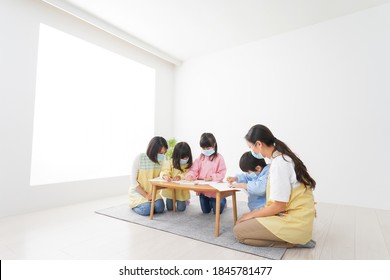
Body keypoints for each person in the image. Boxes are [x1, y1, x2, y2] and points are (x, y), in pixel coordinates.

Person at [233, 124, 317, 248]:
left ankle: (294, 241)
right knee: (245, 221)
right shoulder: (282, 158)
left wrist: (250, 215)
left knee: (238, 231)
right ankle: (296, 238)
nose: (252, 151)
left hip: (294, 222)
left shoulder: (279, 164)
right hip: (297, 218)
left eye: (251, 147)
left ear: (259, 144)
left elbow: (279, 206)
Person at [185, 132, 227, 214]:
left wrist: (212, 177)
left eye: (208, 148)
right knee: (205, 211)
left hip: (215, 190)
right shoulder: (200, 158)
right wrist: (190, 176)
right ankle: (210, 201)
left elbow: (222, 173)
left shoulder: (219, 158)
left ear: (214, 145)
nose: (205, 150)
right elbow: (193, 170)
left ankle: (223, 200)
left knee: (217, 211)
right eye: (203, 148)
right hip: (204, 191)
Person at [128, 136, 168, 216]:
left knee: (160, 208)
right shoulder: (140, 158)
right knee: (147, 210)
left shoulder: (161, 160)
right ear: (152, 150)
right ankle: (133, 205)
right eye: (160, 153)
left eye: (164, 153)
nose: (163, 155)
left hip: (153, 192)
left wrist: (165, 176)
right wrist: (146, 195)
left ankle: (148, 204)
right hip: (139, 192)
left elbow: (164, 171)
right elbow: (133, 181)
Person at [160, 142, 193, 211]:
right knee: (170, 208)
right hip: (170, 190)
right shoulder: (170, 162)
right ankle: (176, 201)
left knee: (181, 209)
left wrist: (180, 177)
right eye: (182, 158)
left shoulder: (188, 165)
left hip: (181, 191)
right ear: (176, 156)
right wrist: (165, 175)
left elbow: (188, 174)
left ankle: (185, 200)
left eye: (186, 157)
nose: (184, 159)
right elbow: (165, 170)